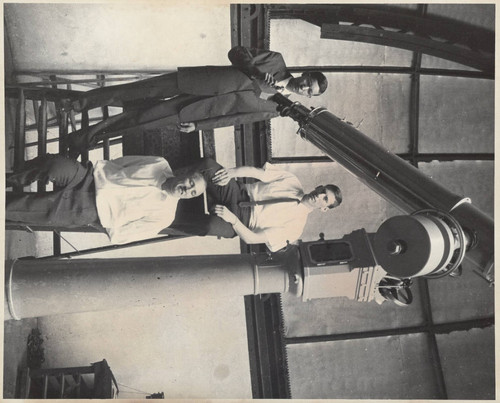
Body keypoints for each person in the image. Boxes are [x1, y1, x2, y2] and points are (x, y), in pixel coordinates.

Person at [63, 46, 328, 156]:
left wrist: (200, 127)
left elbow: (237, 118)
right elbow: (236, 52)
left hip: (199, 110)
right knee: (137, 91)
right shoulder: (276, 61)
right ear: (305, 74)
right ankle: (77, 103)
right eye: (308, 81)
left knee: (140, 120)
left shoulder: (280, 108)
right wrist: (257, 73)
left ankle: (83, 138)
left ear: (307, 96)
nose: (305, 87)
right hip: (200, 80)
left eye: (309, 91)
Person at [6, 154, 206, 244]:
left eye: (192, 192)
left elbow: (122, 235)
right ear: (186, 174)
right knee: (53, 165)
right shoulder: (159, 163)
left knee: (24, 208)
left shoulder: (165, 216)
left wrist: (94, 218)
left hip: (88, 209)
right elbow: (122, 163)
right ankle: (7, 179)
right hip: (87, 177)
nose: (187, 189)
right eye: (190, 183)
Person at [184, 158, 341, 252]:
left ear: (324, 208)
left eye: (325, 199)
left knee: (207, 225)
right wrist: (231, 172)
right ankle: (168, 183)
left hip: (242, 222)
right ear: (318, 187)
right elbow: (256, 172)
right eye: (322, 190)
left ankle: (165, 222)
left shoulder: (296, 228)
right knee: (209, 166)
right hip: (238, 193)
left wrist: (233, 220)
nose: (319, 195)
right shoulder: (293, 181)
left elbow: (252, 239)